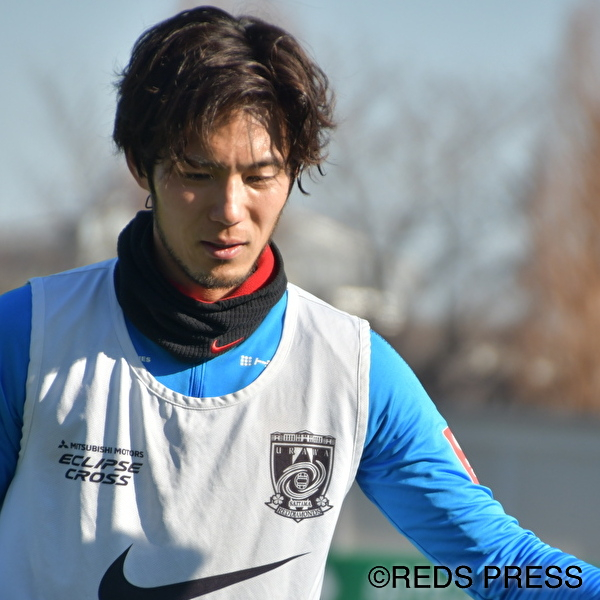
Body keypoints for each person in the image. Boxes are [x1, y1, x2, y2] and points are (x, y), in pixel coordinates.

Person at [0, 6, 597, 599]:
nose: (230, 209)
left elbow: (500, 561)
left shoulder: (351, 368)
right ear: (140, 165)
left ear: (293, 173)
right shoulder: (29, 336)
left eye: (260, 176)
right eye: (197, 173)